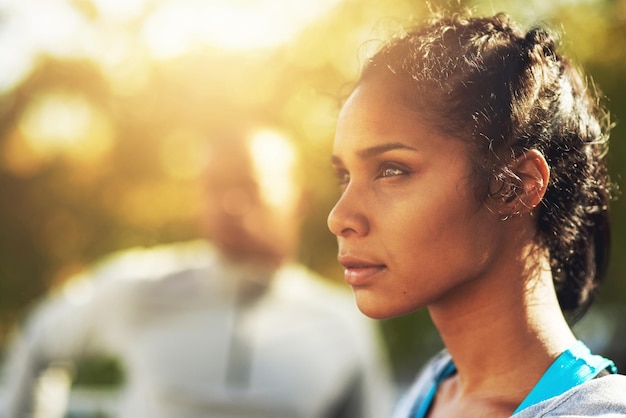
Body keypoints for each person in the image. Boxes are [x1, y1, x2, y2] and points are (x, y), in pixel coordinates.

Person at [326, 11, 626, 417]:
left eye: (391, 170)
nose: (339, 217)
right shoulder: (427, 396)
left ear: (516, 185)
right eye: (345, 175)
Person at [1, 125, 394, 418]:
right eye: (214, 186)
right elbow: (38, 341)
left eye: (249, 184)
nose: (230, 204)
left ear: (300, 199)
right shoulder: (139, 286)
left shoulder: (344, 320)